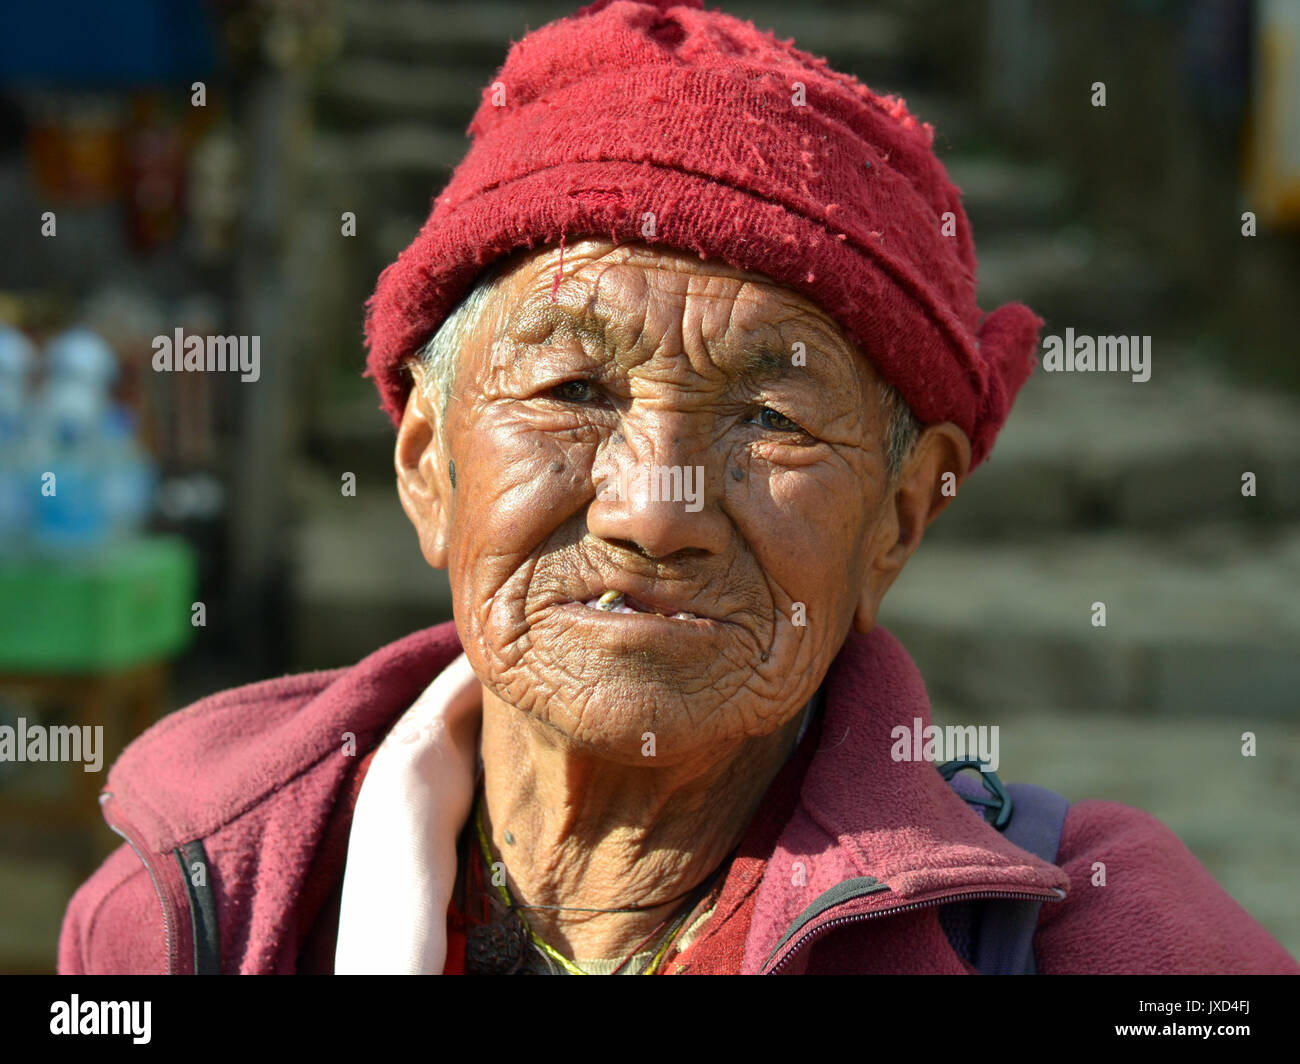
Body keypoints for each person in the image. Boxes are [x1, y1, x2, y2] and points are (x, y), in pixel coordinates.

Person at [59, 0, 1298, 975]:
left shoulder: (1102, 939)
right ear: (427, 463)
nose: (650, 509)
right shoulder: (200, 908)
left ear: (902, 517)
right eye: (571, 393)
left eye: (769, 415)